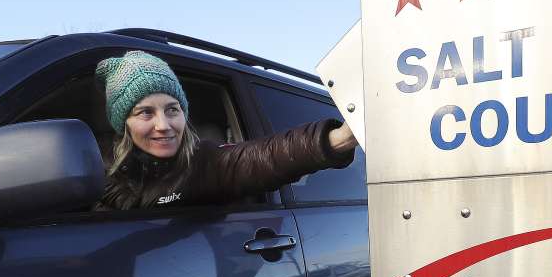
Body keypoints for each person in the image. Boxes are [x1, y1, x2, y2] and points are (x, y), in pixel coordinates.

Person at [95, 51, 359, 210]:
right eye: (145, 112)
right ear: (123, 123)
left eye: (172, 110)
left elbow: (264, 157)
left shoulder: (204, 163)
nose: (164, 125)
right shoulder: (94, 169)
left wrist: (336, 140)